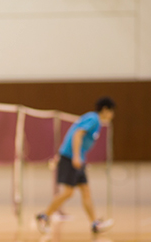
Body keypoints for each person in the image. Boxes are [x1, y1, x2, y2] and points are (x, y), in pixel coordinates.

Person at [36, 97, 116, 234]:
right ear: (105, 110)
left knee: (86, 191)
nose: (112, 115)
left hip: (78, 159)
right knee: (68, 192)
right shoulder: (93, 119)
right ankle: (44, 216)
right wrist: (77, 156)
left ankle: (94, 224)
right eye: (111, 111)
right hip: (70, 157)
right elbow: (77, 135)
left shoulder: (96, 122)